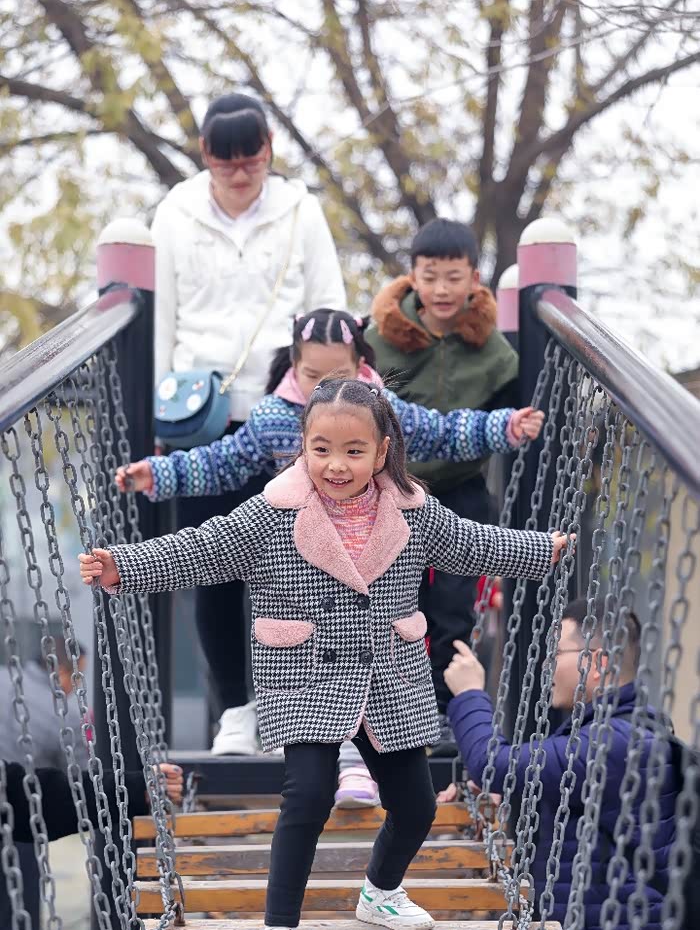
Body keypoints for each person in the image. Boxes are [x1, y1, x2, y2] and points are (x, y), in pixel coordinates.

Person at [80, 376, 567, 930]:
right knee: (307, 794)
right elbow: (199, 550)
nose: (336, 465)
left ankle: (379, 892)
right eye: (321, 449)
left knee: (414, 806)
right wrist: (123, 566)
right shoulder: (271, 514)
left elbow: (473, 545)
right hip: (305, 672)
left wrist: (543, 549)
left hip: (390, 675)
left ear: (382, 451)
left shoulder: (413, 510)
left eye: (353, 451)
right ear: (303, 448)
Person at [117, 308, 544, 759]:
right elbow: (223, 461)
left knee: (377, 629)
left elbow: (441, 433)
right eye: (310, 374)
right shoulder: (275, 416)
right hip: (301, 560)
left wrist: (504, 426)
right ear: (293, 367)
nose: (321, 385)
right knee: (279, 629)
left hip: (364, 551)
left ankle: (375, 732)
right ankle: (257, 715)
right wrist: (159, 474)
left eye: (336, 374)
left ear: (361, 366)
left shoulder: (380, 412)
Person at [152, 91, 346, 738]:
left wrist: (331, 411)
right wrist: (157, 417)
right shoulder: (176, 214)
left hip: (285, 413)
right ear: (204, 155)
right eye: (224, 159)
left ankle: (302, 706)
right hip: (200, 417)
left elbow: (328, 308)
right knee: (212, 566)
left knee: (299, 562)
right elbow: (162, 317)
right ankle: (236, 708)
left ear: (269, 149)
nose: (239, 172)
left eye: (251, 156)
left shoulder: (300, 210)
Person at [443, 598, 696, 930]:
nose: (545, 666)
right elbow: (530, 781)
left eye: (555, 654)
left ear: (595, 663)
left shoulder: (616, 743)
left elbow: (494, 763)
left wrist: (468, 695)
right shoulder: (610, 736)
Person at [365, 218, 520, 755]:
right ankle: (387, 712)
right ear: (412, 277)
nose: (442, 290)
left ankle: (445, 708)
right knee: (392, 600)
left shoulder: (492, 349)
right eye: (430, 277)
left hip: (459, 488)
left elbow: (511, 412)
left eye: (454, 277)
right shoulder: (379, 337)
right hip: (391, 486)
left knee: (453, 606)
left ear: (475, 278)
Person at [0, 640, 183, 930]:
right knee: (17, 921)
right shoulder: (43, 703)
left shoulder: (9, 679)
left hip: (17, 812)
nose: (76, 686)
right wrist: (131, 785)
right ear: (61, 669)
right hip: (16, 826)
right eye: (77, 677)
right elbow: (66, 765)